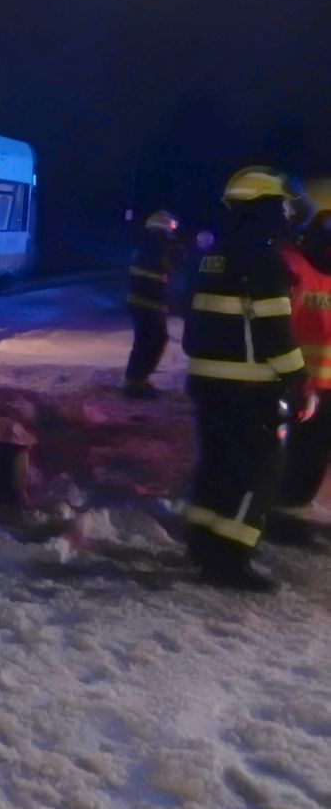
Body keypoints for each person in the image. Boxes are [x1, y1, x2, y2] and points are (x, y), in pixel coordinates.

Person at [180, 166, 314, 592]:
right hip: (250, 387)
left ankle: (202, 544)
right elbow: (275, 332)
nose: (291, 215)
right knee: (259, 473)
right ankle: (231, 558)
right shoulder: (264, 258)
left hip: (207, 383)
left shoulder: (213, 254)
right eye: (285, 206)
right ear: (268, 208)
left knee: (218, 466)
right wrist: (298, 380)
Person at [269, 177, 331, 546]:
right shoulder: (288, 266)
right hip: (298, 385)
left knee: (312, 457)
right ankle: (285, 520)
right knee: (301, 457)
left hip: (321, 386)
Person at [123, 210, 181, 399]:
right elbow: (161, 272)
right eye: (170, 231)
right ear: (163, 230)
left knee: (151, 341)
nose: (172, 235)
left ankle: (138, 381)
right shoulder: (155, 246)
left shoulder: (148, 244)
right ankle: (134, 385)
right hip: (148, 303)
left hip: (148, 302)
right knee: (148, 342)